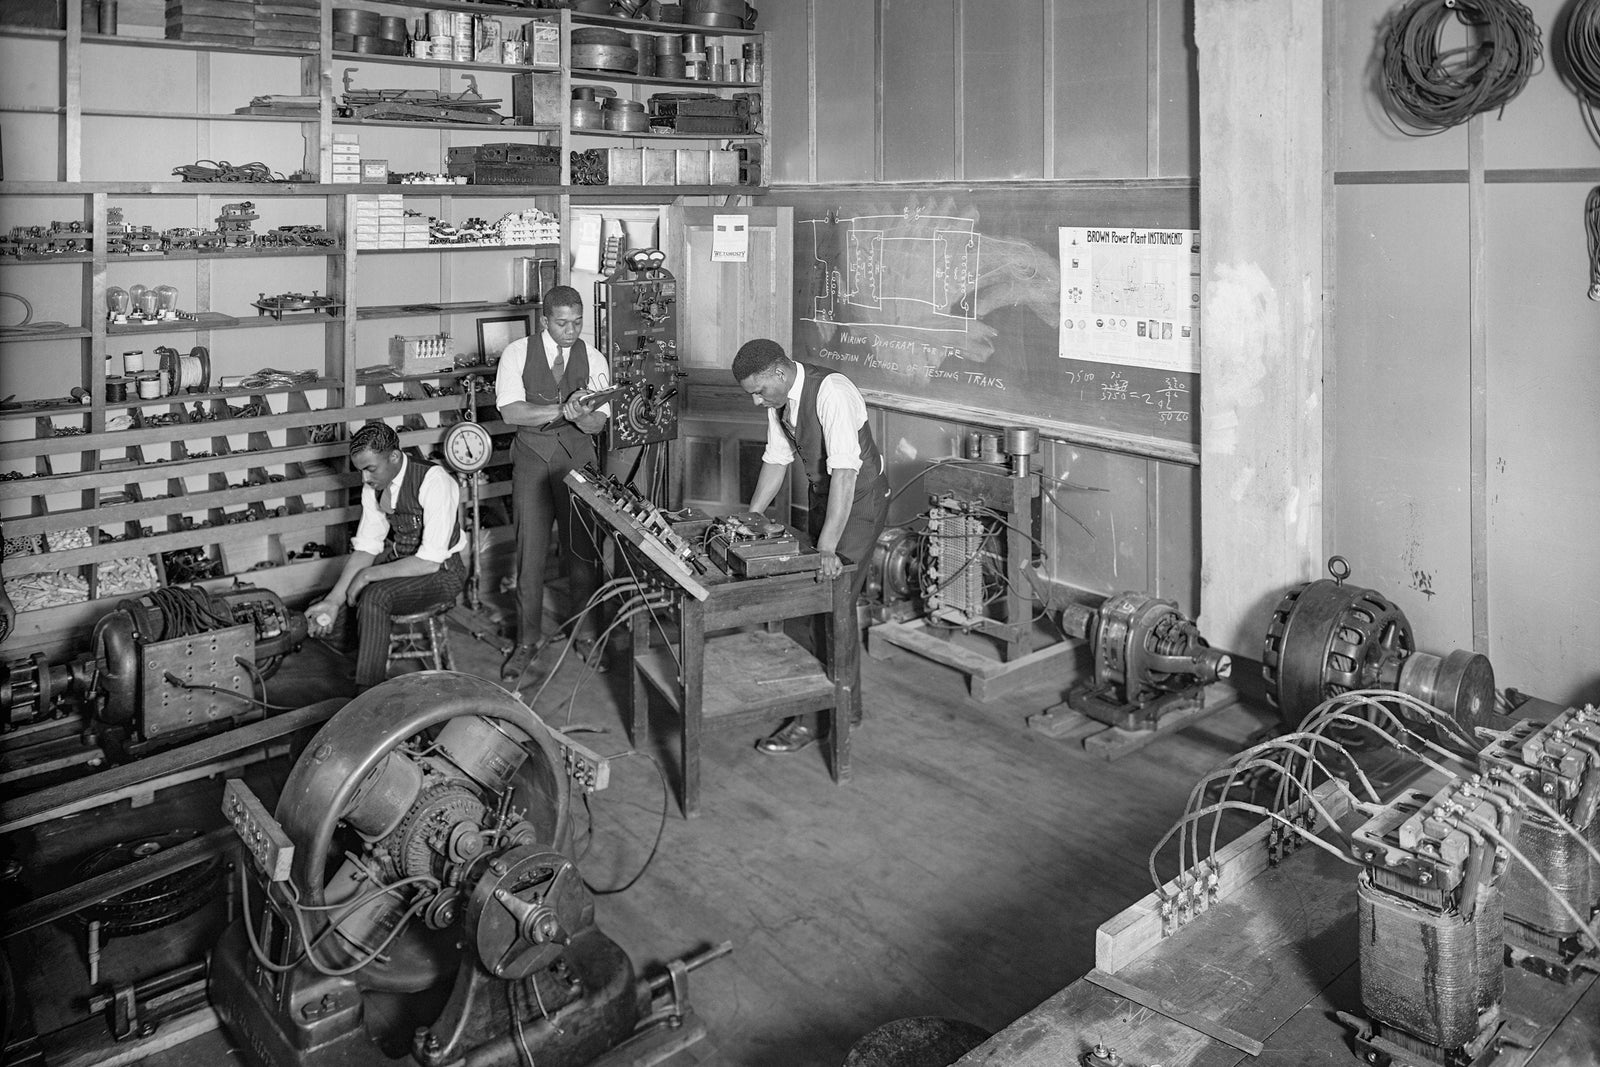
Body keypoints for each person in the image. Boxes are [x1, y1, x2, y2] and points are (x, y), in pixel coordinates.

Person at [732, 338, 889, 754]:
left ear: (779, 373)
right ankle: (844, 708)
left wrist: (827, 549)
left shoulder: (832, 392)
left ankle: (818, 718)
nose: (756, 401)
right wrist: (751, 515)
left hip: (859, 504)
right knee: (826, 605)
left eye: (758, 391)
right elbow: (776, 459)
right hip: (827, 499)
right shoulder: (779, 399)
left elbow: (846, 476)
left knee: (829, 601)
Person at [494, 285, 611, 680]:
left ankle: (587, 633)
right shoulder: (516, 353)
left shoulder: (593, 358)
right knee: (530, 555)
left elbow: (598, 424)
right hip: (532, 459)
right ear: (545, 320)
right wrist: (563, 409)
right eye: (562, 323)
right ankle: (527, 641)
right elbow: (511, 412)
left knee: (583, 550)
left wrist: (583, 416)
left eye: (577, 322)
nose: (570, 331)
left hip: (579, 460)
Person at [306, 422, 467, 691]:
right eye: (360, 470)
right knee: (328, 606)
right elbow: (367, 547)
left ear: (393, 456)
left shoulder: (434, 481)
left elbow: (429, 561)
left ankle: (368, 691)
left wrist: (367, 575)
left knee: (375, 596)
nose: (364, 479)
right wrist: (332, 601)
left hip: (443, 573)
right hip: (402, 563)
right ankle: (368, 657)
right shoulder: (375, 485)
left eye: (370, 469)